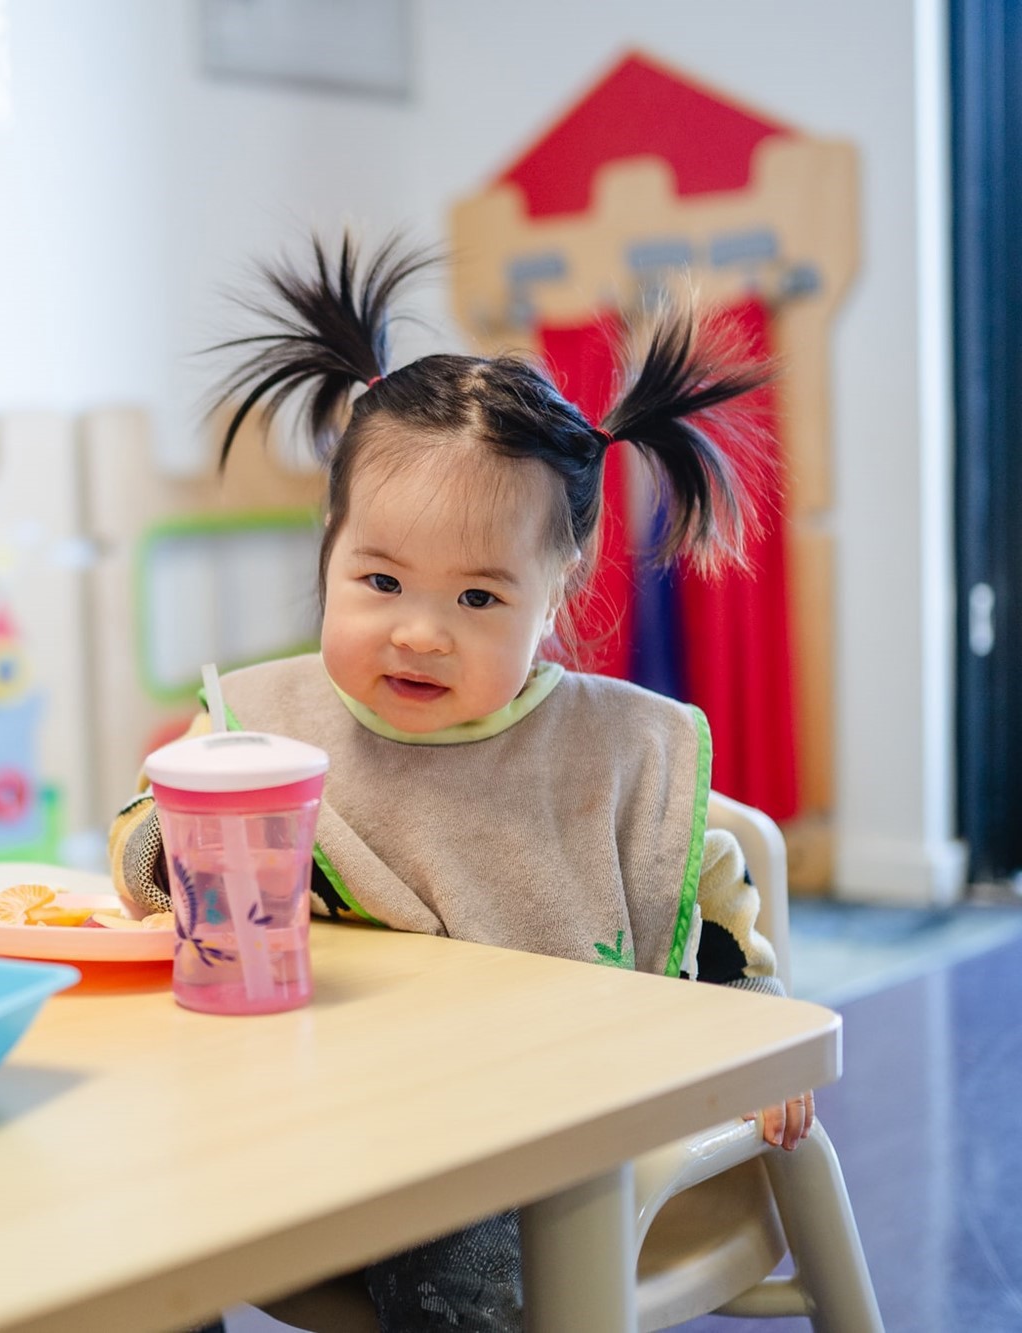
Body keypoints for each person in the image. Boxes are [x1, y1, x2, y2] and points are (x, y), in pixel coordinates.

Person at [111, 237, 813, 1333]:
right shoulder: (263, 724)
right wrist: (176, 836)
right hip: (292, 1114)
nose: (419, 631)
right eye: (380, 579)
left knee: (456, 1235)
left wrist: (758, 1037)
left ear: (558, 584)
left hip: (536, 1146)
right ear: (330, 544)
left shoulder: (616, 756)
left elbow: (713, 929)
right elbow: (141, 862)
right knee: (121, 1201)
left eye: (478, 598)